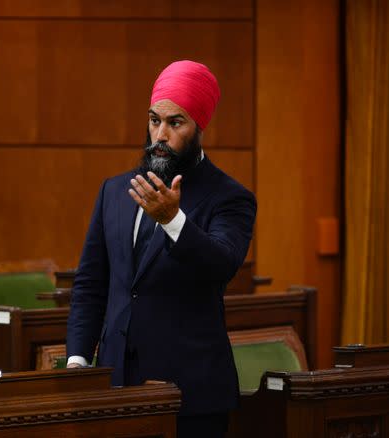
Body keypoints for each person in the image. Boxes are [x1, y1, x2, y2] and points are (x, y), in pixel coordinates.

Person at [66, 60, 257, 437]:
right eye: (154, 120)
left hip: (191, 394)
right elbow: (91, 283)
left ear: (199, 128)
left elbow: (222, 265)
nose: (161, 135)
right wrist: (77, 360)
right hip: (117, 385)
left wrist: (174, 221)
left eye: (175, 123)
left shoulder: (230, 197)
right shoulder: (115, 192)